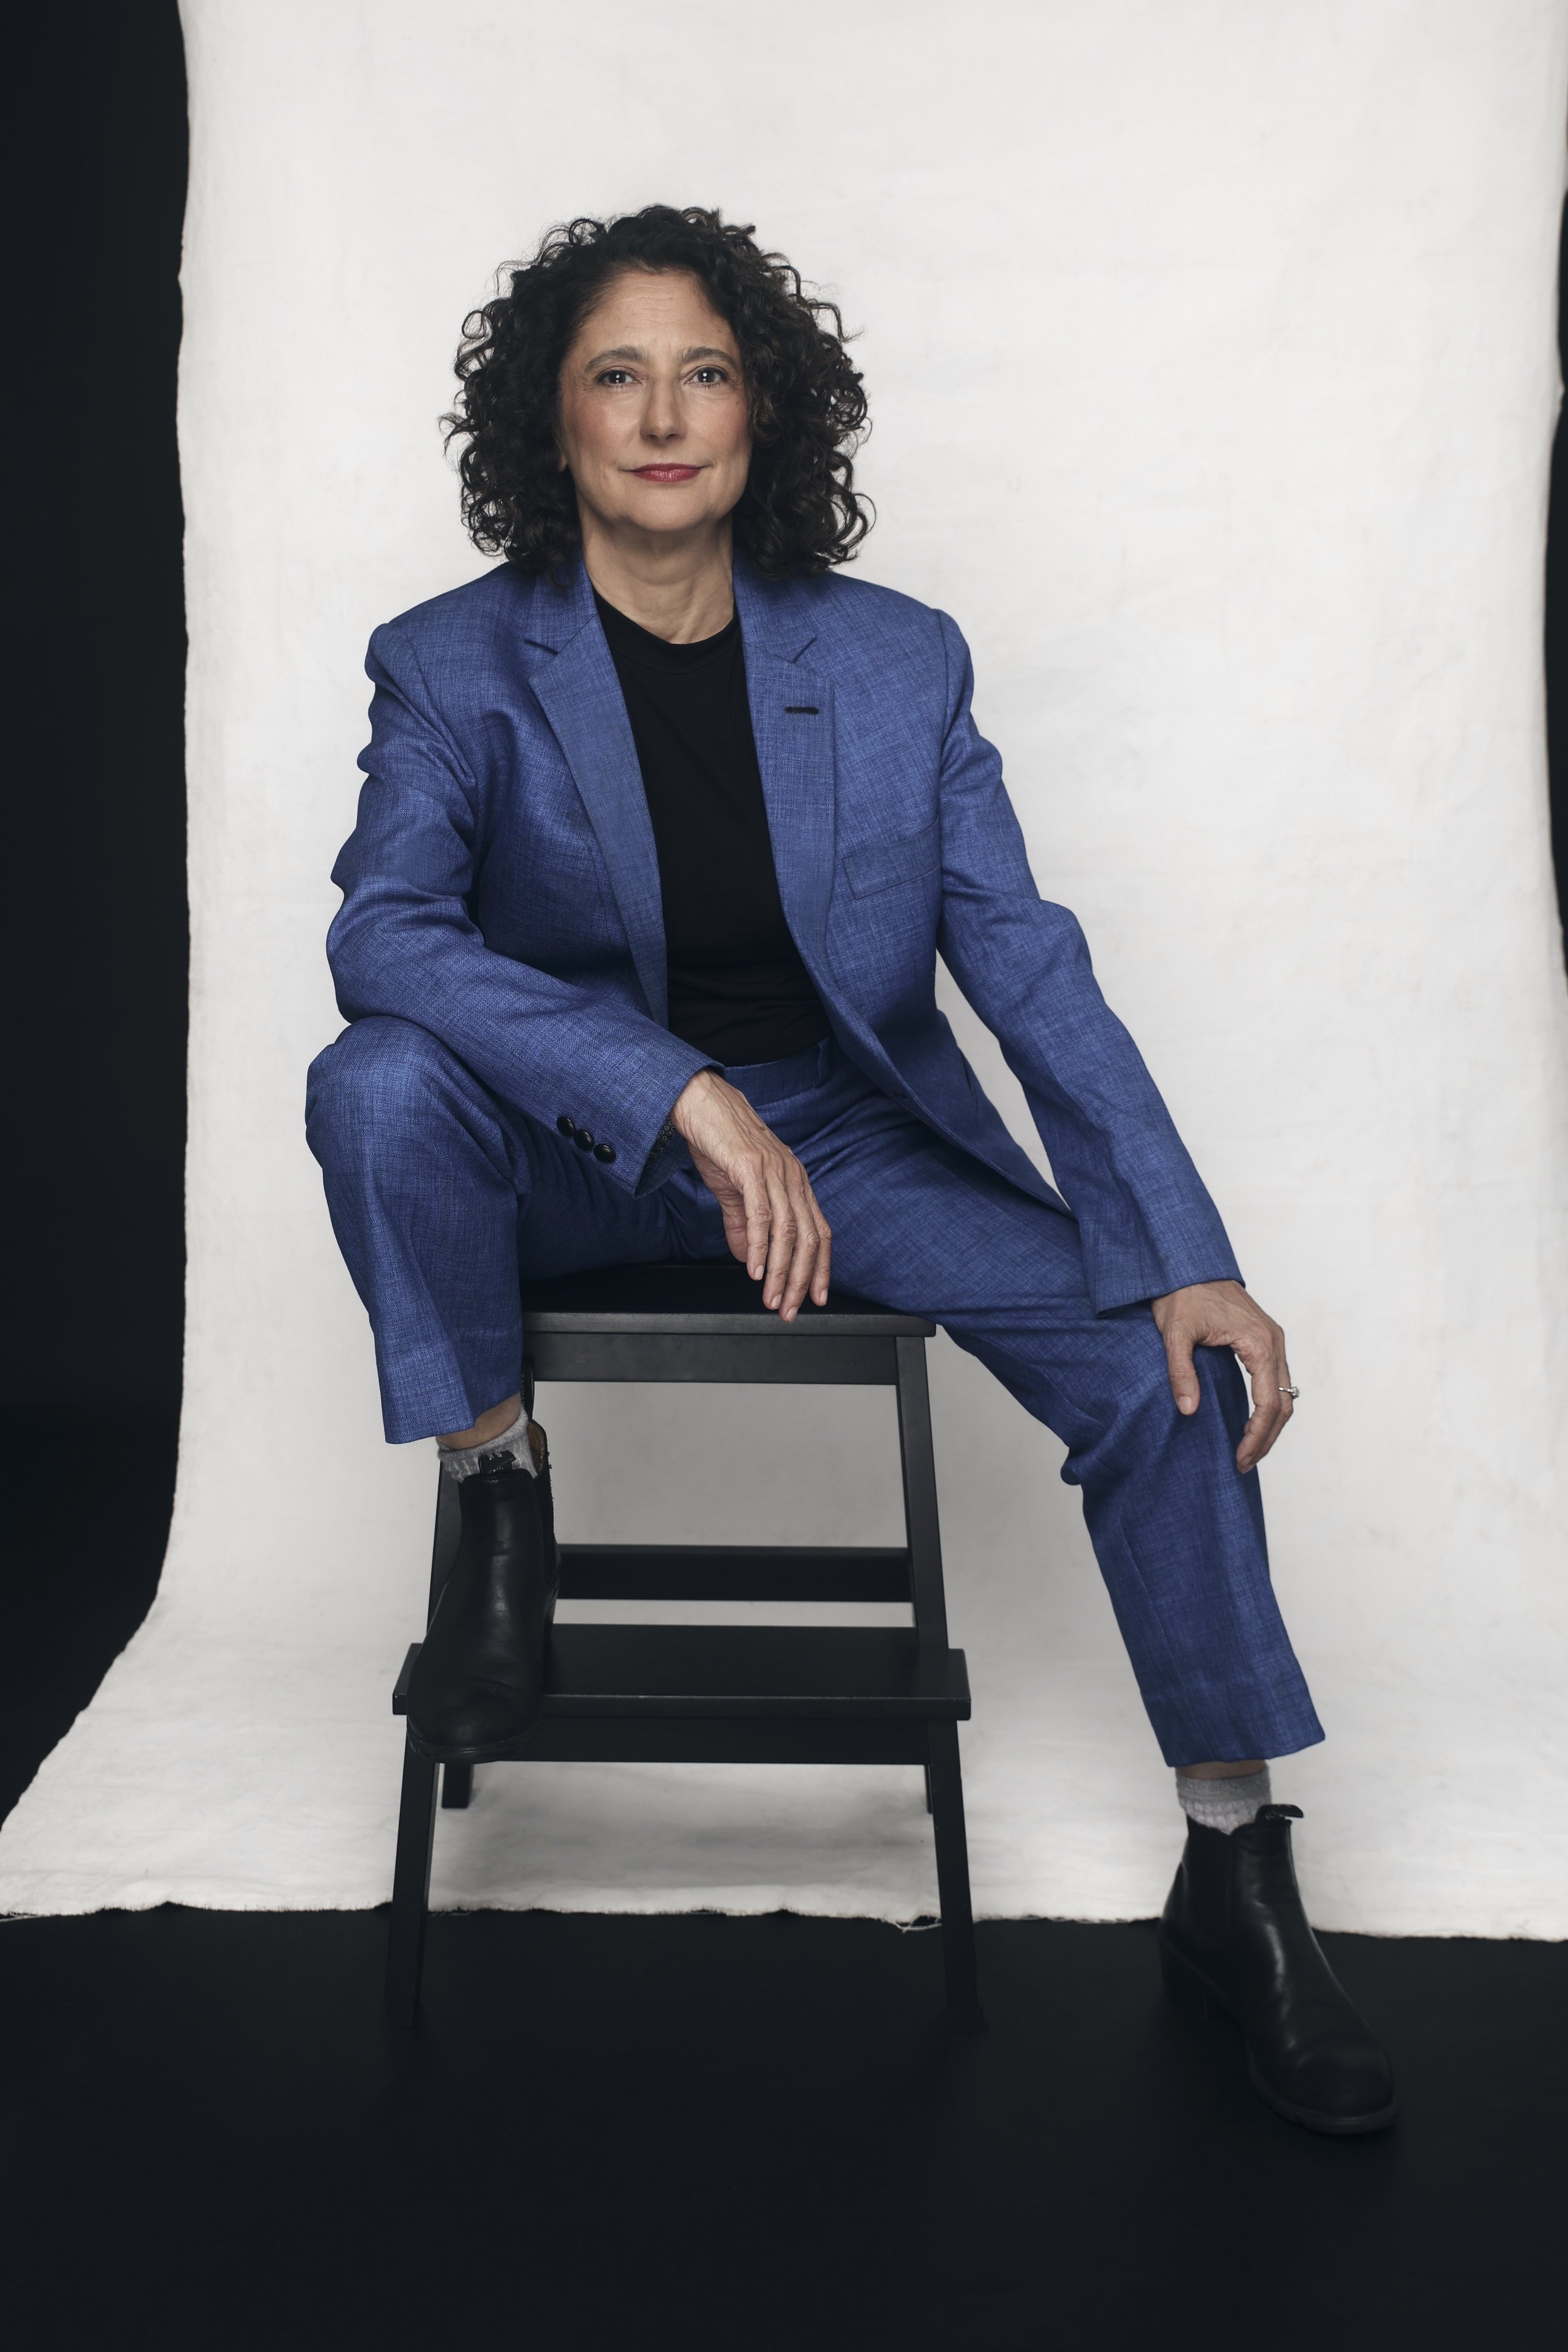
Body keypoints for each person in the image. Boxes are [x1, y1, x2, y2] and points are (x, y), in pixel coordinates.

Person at [305, 205, 1393, 2134]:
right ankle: (494, 1489)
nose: (663, 417)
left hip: (836, 1131)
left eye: (704, 372)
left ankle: (1234, 1873)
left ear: (763, 411)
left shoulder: (892, 665)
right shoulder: (455, 661)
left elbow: (1025, 964)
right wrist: (668, 1090)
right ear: (550, 418)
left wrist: (1182, 1251)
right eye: (616, 374)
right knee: (375, 1084)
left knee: (1160, 1368)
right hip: (571, 1150)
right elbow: (386, 937)